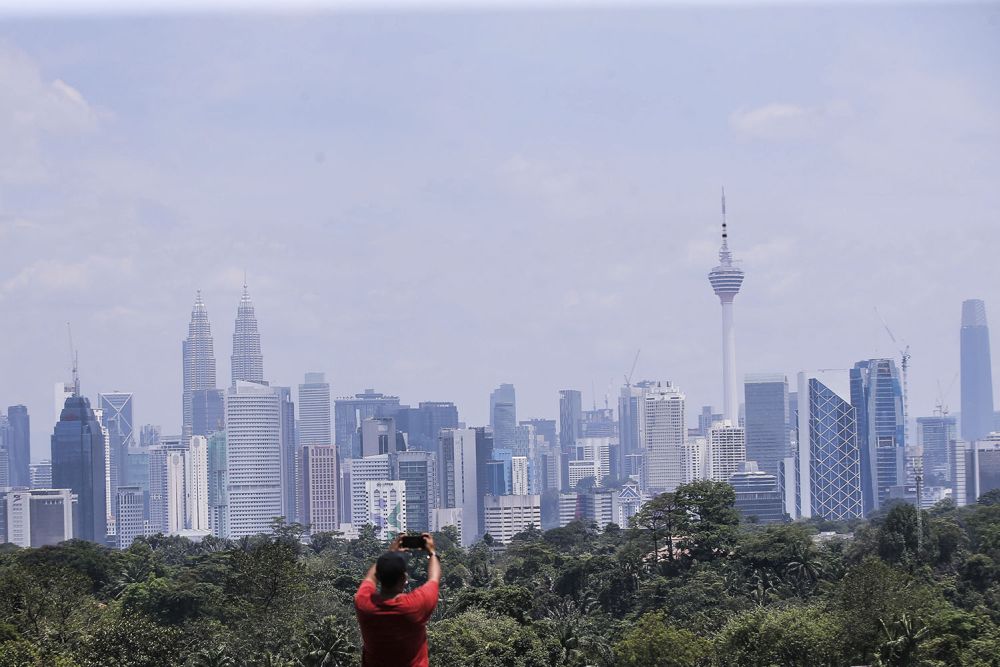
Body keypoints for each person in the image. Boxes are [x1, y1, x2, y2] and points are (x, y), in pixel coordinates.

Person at [354, 532, 441, 667]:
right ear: (404, 579)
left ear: (379, 576)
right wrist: (432, 553)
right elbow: (434, 579)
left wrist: (389, 555)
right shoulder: (414, 606)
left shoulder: (365, 605)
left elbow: (369, 578)